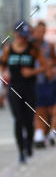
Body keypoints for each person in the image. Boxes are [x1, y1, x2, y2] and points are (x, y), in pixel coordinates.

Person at [0, 22, 43, 162]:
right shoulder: (8, 49)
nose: (22, 39)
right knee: (18, 120)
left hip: (29, 88)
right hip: (13, 88)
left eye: (25, 36)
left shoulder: (32, 49)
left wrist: (33, 71)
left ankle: (29, 143)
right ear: (15, 34)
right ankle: (21, 151)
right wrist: (4, 74)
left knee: (29, 120)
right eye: (20, 36)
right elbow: (2, 64)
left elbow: (46, 66)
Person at [31, 21, 56, 148]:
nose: (41, 34)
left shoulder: (49, 46)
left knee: (49, 110)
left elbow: (54, 60)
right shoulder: (30, 46)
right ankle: (38, 134)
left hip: (47, 81)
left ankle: (45, 132)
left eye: (43, 31)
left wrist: (51, 67)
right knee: (39, 109)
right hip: (35, 81)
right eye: (38, 31)